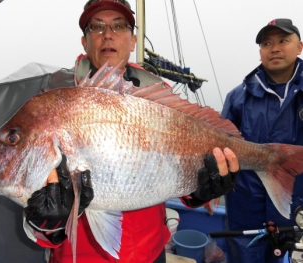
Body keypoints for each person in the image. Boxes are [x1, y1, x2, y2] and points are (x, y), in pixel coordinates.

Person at [23, 1, 239, 262]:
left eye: (119, 25)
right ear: (84, 41)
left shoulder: (159, 99)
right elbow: (38, 222)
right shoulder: (54, 104)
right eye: (97, 26)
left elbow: (173, 175)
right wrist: (46, 223)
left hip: (152, 253)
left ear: (133, 39)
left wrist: (198, 193)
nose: (108, 34)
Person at [222, 18, 303, 263]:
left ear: (299, 46)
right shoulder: (237, 98)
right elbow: (219, 151)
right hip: (245, 213)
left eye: (283, 41)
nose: (275, 48)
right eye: (267, 43)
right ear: (260, 53)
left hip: (297, 214)